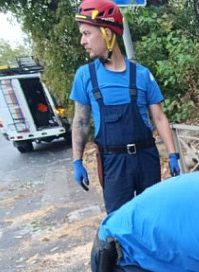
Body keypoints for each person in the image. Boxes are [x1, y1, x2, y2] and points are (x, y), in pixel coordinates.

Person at [70, 0, 181, 213]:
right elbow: (81, 121)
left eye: (87, 34)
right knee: (120, 224)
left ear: (107, 33)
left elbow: (159, 117)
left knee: (153, 217)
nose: (83, 41)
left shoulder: (141, 74)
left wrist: (173, 153)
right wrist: (77, 161)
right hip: (113, 163)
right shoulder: (85, 76)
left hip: (146, 159)